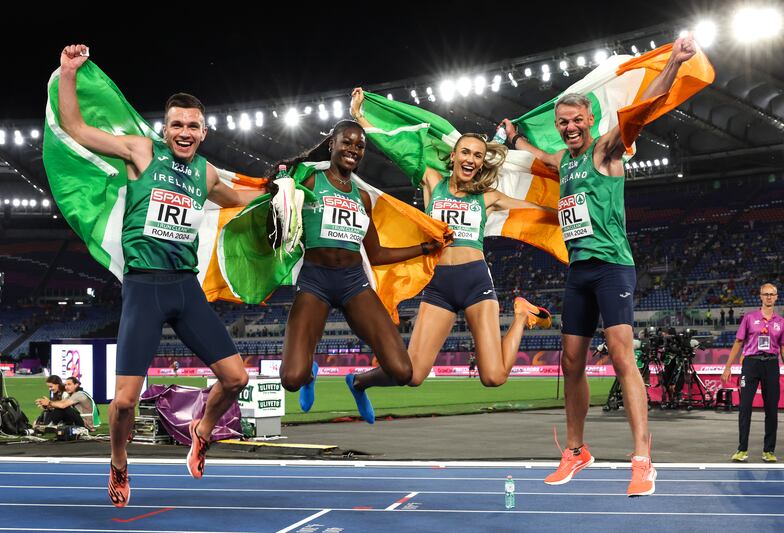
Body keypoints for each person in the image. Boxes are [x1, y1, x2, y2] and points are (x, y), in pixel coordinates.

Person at [57, 44, 272, 508]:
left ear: (204, 131)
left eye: (193, 125)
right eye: (177, 123)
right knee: (126, 403)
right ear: (165, 128)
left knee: (236, 380)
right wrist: (68, 72)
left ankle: (202, 429)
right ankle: (118, 461)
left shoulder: (206, 173)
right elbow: (74, 128)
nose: (185, 131)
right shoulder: (139, 152)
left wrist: (281, 191)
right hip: (143, 289)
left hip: (183, 288)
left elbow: (237, 200)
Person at [503, 36, 697, 496]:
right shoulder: (565, 161)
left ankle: (643, 459)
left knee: (622, 358)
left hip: (612, 267)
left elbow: (644, 109)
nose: (570, 128)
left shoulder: (606, 150)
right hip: (579, 272)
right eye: (563, 123)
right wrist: (515, 138)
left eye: (576, 120)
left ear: (591, 118)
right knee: (570, 360)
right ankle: (576, 451)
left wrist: (671, 63)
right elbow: (538, 155)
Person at [348, 88, 553, 420]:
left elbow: (535, 210)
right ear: (454, 156)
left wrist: (570, 210)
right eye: (465, 153)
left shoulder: (489, 197)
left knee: (494, 377)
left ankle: (520, 314)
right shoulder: (432, 182)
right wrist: (361, 117)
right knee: (412, 375)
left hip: (475, 284)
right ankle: (358, 381)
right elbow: (397, 148)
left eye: (477, 155)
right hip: (440, 286)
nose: (471, 159)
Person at [276, 120, 446, 421]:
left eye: (360, 146)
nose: (353, 149)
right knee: (291, 378)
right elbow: (279, 208)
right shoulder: (310, 181)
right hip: (315, 281)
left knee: (402, 370)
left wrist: (424, 249)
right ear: (332, 144)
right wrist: (280, 184)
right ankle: (309, 375)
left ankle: (359, 382)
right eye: (347, 142)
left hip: (354, 283)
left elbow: (376, 253)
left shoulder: (363, 197)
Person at [722, 283, 783, 463]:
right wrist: (727, 366)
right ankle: (742, 450)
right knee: (745, 407)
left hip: (771, 365)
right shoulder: (749, 318)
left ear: (777, 297)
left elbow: (783, 347)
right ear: (760, 296)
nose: (769, 297)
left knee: (772, 409)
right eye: (766, 294)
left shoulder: (781, 322)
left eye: (772, 294)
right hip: (750, 364)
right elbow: (738, 343)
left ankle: (769, 451)